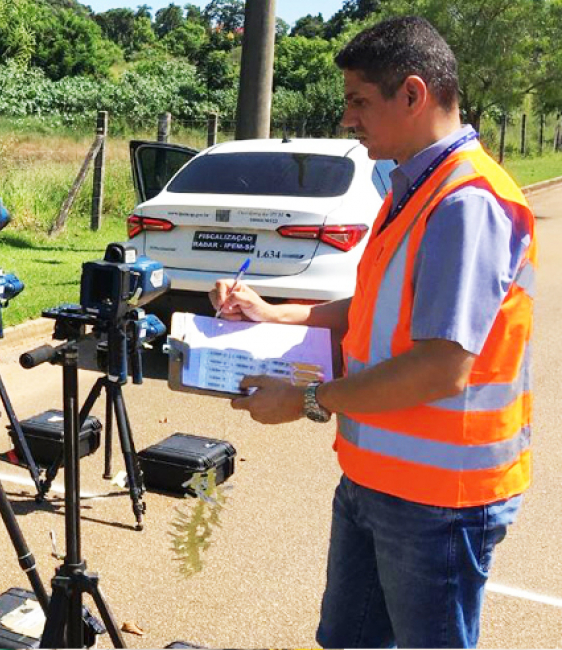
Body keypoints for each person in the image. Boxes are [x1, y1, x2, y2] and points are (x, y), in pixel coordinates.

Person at [210, 16, 536, 649]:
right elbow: (378, 305)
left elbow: (442, 365)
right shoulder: (414, 186)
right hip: (374, 479)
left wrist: (305, 400)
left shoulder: (467, 202)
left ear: (412, 95)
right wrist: (274, 310)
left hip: (440, 501)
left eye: (358, 101)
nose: (346, 119)